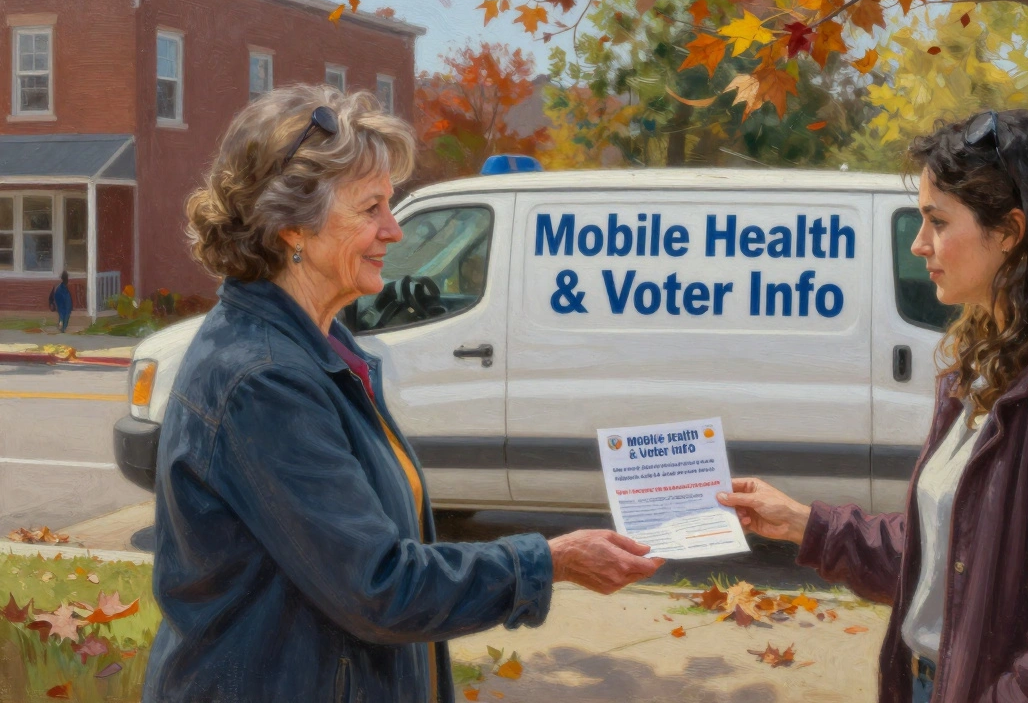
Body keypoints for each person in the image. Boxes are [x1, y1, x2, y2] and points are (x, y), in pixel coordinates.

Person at [144, 85, 663, 703]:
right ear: (291, 228)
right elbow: (379, 586)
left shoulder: (320, 347)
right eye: (370, 209)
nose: (394, 230)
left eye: (391, 205)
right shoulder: (263, 380)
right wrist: (549, 560)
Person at [718, 110, 1028, 703]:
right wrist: (805, 524)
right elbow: (956, 555)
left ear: (1010, 231)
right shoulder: (990, 368)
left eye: (937, 221)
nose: (919, 242)